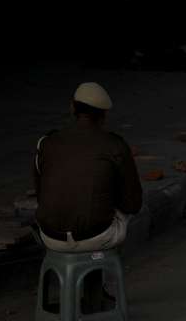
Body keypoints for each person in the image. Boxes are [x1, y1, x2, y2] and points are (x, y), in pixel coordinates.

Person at [34, 82, 143, 253]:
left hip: (50, 236)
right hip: (97, 236)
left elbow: (40, 194)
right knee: (122, 205)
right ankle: (104, 264)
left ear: (72, 108)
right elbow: (133, 204)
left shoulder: (46, 142)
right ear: (104, 114)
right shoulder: (114, 145)